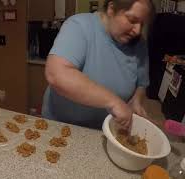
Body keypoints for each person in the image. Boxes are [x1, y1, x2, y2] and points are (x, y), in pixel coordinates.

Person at [42, 0, 155, 129]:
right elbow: (57, 75)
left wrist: (136, 100)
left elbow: (141, 84)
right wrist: (113, 102)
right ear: (111, 9)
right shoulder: (79, 25)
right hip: (62, 126)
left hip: (106, 130)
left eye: (142, 24)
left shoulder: (139, 44)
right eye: (132, 20)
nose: (137, 30)